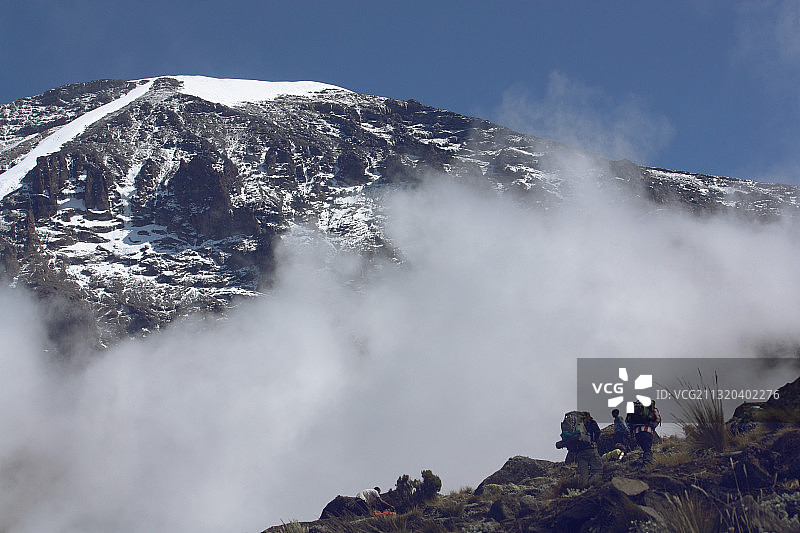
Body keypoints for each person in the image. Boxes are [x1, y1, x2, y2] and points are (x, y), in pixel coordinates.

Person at [557, 411, 602, 483]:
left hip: (580, 453)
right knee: (597, 471)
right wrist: (594, 441)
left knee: (583, 475)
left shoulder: (576, 425)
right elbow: (598, 432)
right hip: (591, 449)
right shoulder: (590, 422)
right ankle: (592, 485)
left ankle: (585, 486)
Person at [626, 400, 661, 465]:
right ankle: (647, 464)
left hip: (637, 432)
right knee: (647, 449)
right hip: (648, 431)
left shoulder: (634, 410)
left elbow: (627, 421)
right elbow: (658, 418)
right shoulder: (652, 409)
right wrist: (652, 426)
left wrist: (632, 430)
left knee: (644, 448)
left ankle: (644, 462)